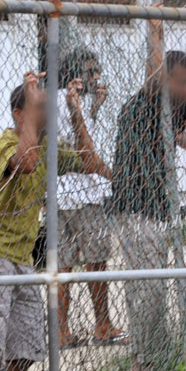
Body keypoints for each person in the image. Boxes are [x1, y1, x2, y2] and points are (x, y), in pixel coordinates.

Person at [0, 70, 110, 371]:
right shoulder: (3, 142)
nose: (49, 112)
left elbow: (88, 159)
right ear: (20, 114)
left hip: (22, 259)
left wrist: (75, 111)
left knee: (29, 348)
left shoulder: (47, 148)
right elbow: (25, 162)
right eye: (40, 107)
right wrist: (30, 100)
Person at [110, 17, 186, 371]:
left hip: (161, 209)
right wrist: (154, 31)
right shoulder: (147, 103)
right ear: (167, 79)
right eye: (182, 81)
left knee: (156, 291)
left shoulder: (177, 106)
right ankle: (142, 366)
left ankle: (153, 361)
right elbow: (154, 76)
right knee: (144, 292)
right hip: (136, 210)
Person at [55, 48, 125, 348]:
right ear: (76, 74)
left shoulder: (60, 100)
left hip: (59, 196)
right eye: (91, 71)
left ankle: (60, 331)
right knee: (96, 262)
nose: (96, 76)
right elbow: (87, 154)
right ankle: (103, 325)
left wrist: (95, 107)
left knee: (62, 266)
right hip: (84, 195)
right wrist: (116, 177)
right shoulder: (68, 101)